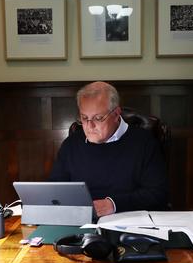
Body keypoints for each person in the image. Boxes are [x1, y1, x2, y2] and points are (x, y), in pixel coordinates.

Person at [49, 81, 169, 217]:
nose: (89, 126)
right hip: (82, 223)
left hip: (130, 221)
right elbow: (55, 189)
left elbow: (158, 193)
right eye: (84, 117)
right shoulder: (71, 144)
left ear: (117, 114)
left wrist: (114, 204)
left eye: (98, 118)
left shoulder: (145, 142)